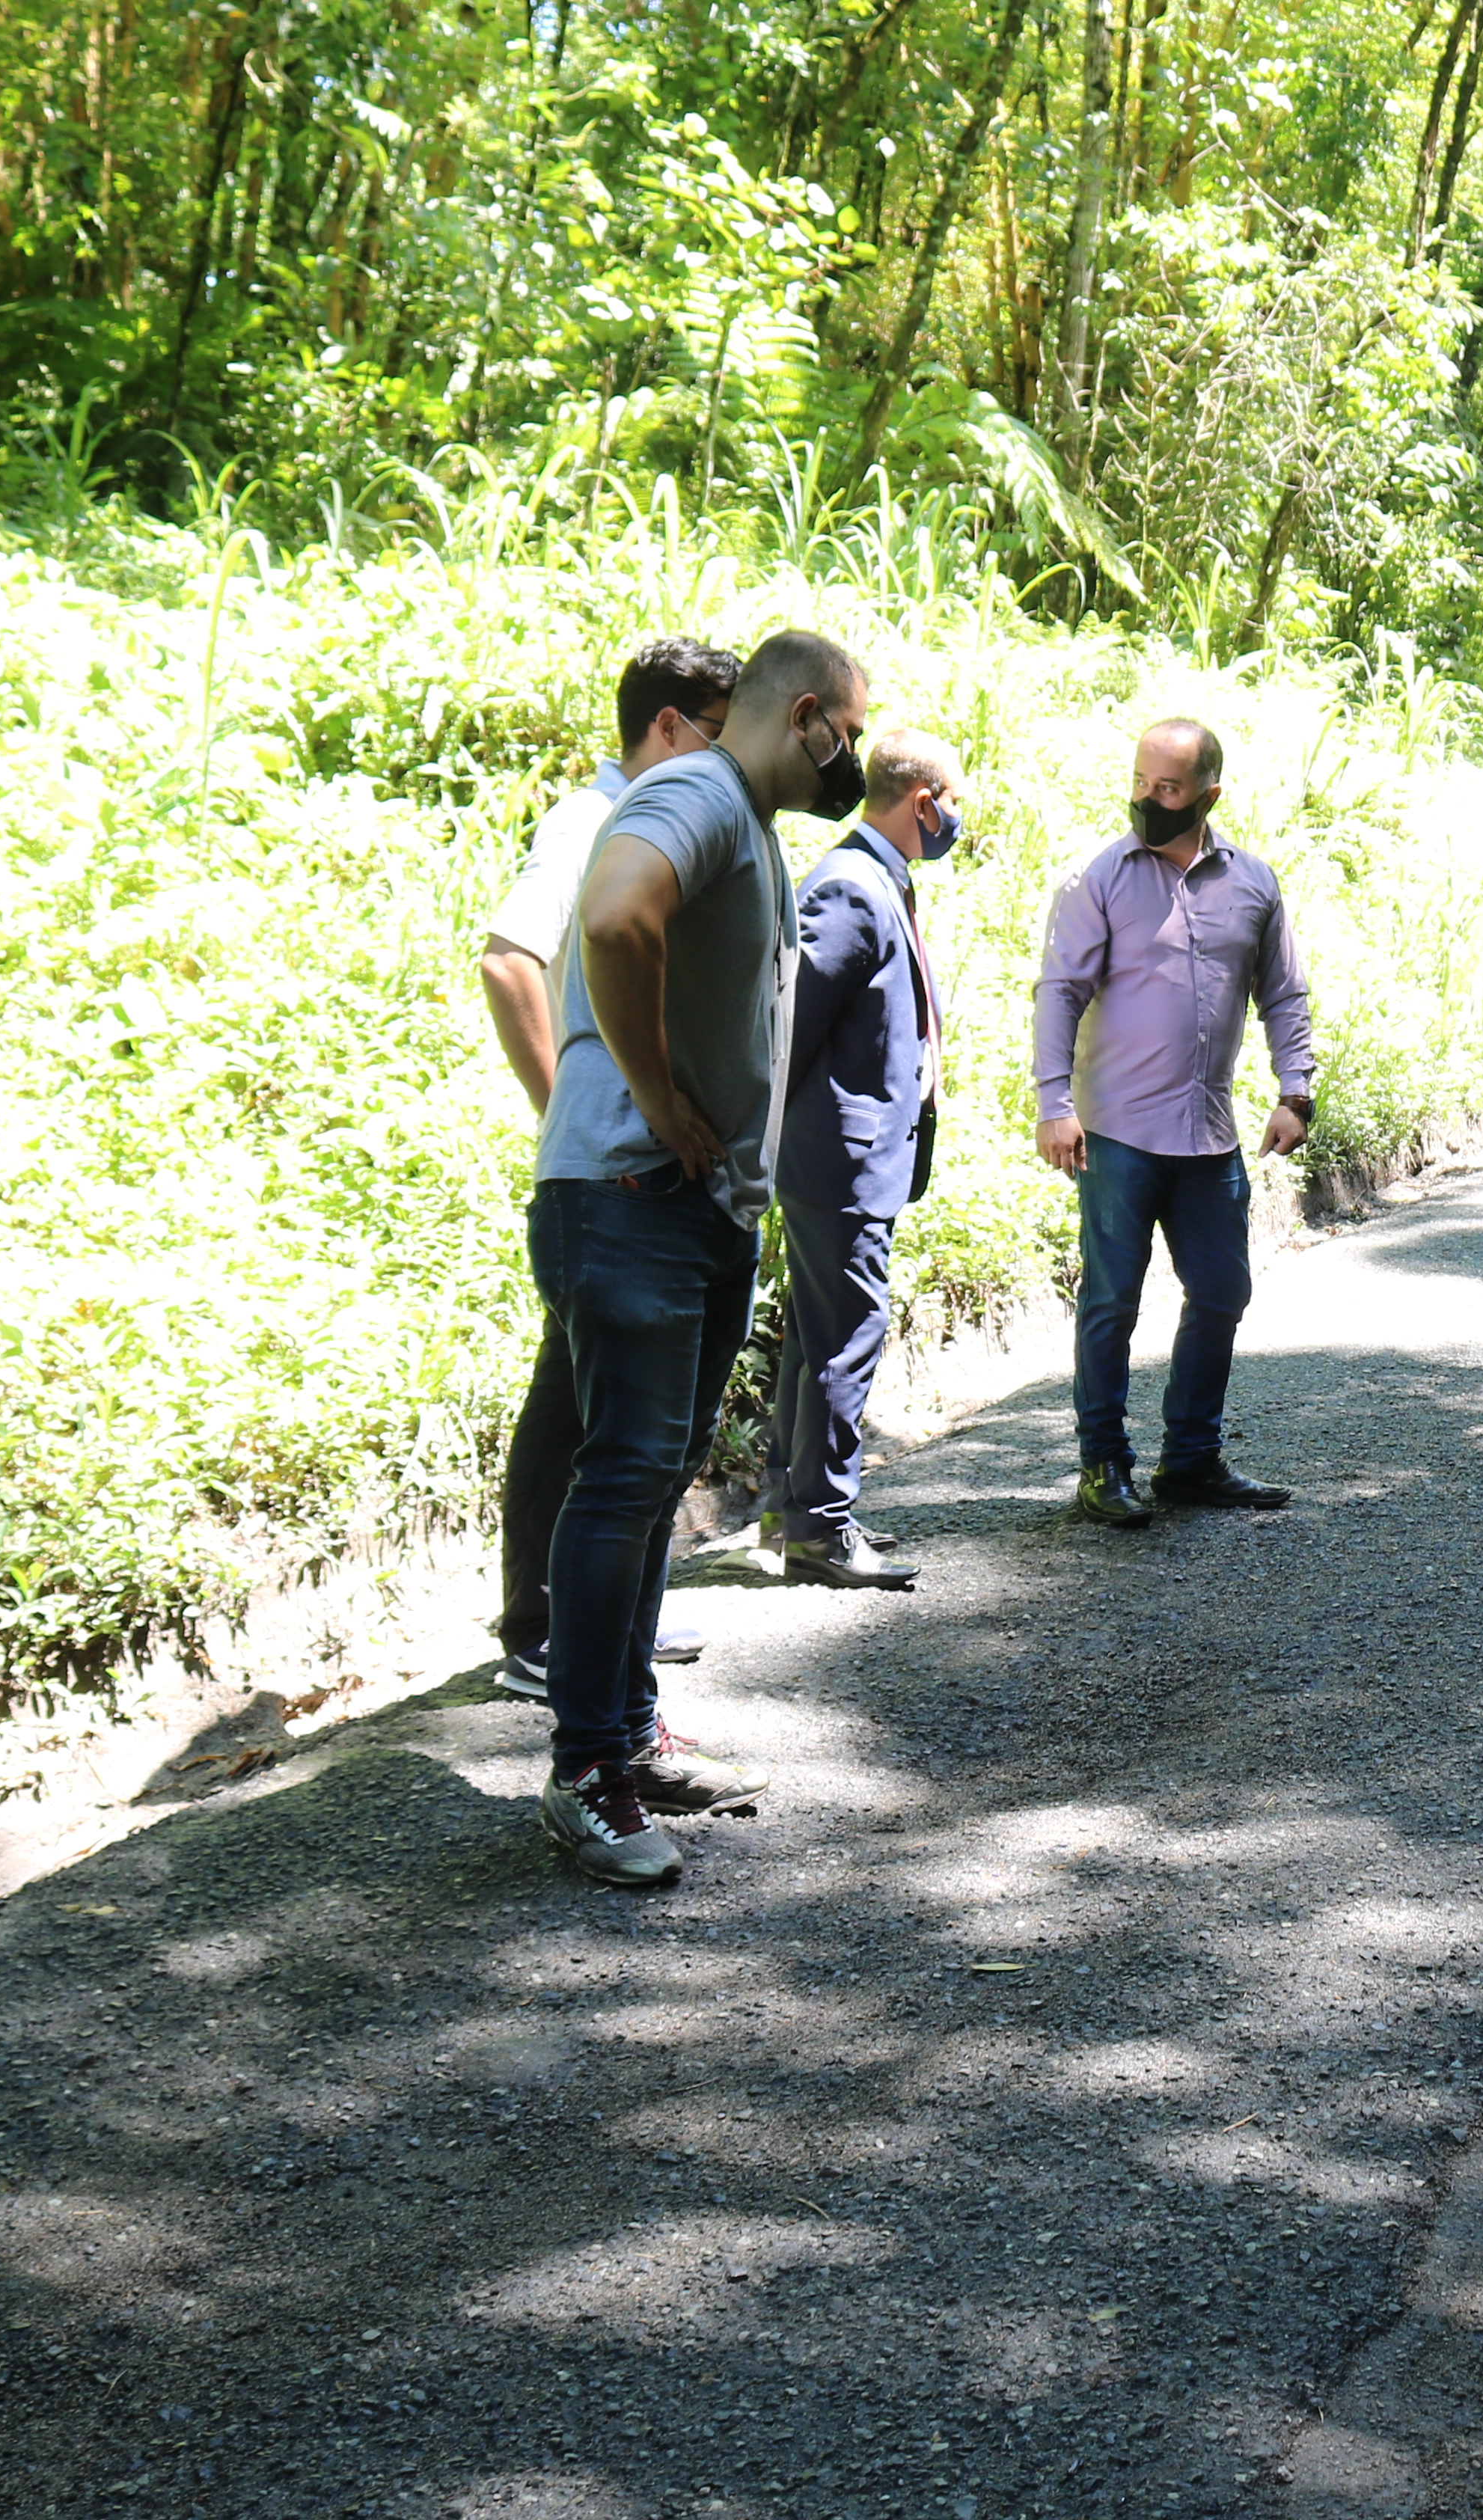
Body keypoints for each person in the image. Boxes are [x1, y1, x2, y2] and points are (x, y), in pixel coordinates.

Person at [527, 628, 872, 1890]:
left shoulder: (750, 825)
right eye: (853, 730)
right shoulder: (698, 791)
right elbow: (617, 923)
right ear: (809, 716)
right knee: (623, 1476)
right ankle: (583, 1774)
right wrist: (665, 1105)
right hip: (633, 1189)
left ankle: (625, 1738)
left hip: (688, 1200)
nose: (857, 758)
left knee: (652, 1469)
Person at [478, 637, 740, 1704]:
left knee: (594, 1407)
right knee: (578, 1414)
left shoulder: (663, 824)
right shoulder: (593, 822)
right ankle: (542, 1633)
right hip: (609, 1177)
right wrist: (577, 1110)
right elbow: (508, 961)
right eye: (717, 736)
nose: (728, 763)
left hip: (646, 1176)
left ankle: (595, 1629)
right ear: (668, 728)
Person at [1031, 718, 1316, 1526]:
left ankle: (1190, 1458)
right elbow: (1060, 993)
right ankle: (1103, 1465)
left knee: (1224, 1291)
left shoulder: (1254, 884)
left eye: (1167, 789)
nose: (1147, 801)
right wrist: (1055, 1103)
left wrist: (1295, 1090)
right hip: (1117, 1133)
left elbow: (1284, 996)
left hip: (1209, 1135)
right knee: (1112, 1300)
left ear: (1209, 795)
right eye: (1140, 783)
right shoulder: (1101, 878)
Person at [765, 728, 973, 1589]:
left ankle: (801, 1510)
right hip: (835, 1160)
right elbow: (787, 1031)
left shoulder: (880, 880)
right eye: (953, 802)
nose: (958, 818)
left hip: (850, 1156)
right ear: (921, 800)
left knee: (819, 1342)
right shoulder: (850, 890)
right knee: (846, 1335)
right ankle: (820, 1525)